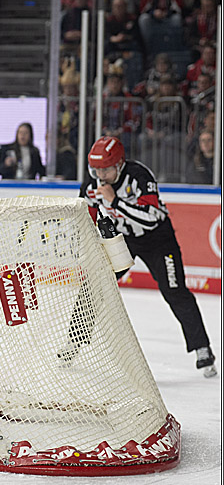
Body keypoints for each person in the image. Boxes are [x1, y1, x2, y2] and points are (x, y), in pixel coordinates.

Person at [81, 136, 215, 377]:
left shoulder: (139, 176)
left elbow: (151, 218)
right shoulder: (92, 184)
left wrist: (115, 201)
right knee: (96, 284)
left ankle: (202, 349)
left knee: (175, 291)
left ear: (120, 165)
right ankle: (74, 343)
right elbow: (86, 216)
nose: (100, 176)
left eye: (106, 170)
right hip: (123, 240)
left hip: (158, 241)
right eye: (96, 170)